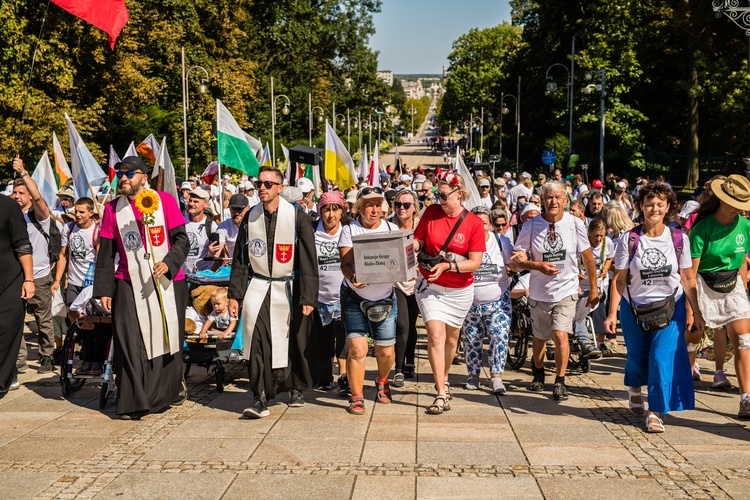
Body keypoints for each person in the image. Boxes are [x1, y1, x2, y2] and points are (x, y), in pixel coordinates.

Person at [94, 156, 190, 420]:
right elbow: (105, 253)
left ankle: (159, 396)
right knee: (127, 340)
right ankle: (132, 400)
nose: (123, 178)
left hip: (168, 281)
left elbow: (182, 240)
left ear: (144, 177)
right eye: (119, 174)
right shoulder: (112, 209)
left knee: (165, 335)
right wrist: (103, 290)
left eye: (129, 173)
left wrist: (169, 263)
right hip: (127, 280)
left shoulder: (165, 201)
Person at [604, 181, 702, 433]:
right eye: (649, 204)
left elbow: (688, 278)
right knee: (637, 359)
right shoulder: (630, 238)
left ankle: (655, 411)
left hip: (671, 306)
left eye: (660, 204)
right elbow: (620, 278)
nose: (654, 209)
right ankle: (634, 387)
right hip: (634, 307)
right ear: (641, 206)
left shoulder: (679, 238)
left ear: (668, 206)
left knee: (661, 357)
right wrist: (612, 313)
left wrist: (696, 311)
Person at [228, 167, 318, 418]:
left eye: (269, 183)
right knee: (256, 341)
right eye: (259, 183)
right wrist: (235, 294)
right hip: (258, 287)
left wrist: (309, 296)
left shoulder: (297, 216)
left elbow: (309, 258)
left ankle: (295, 386)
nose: (262, 188)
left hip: (287, 287)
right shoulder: (250, 217)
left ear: (280, 187)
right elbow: (240, 258)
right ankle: (259, 397)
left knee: (290, 341)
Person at [511, 180, 599, 401]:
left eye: (558, 197)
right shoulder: (531, 226)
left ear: (565, 201)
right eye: (549, 197)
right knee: (540, 337)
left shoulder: (575, 224)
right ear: (542, 200)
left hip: (566, 289)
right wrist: (536, 265)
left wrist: (594, 287)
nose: (553, 201)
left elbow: (587, 258)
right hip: (539, 291)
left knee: (561, 335)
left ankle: (560, 381)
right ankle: (538, 370)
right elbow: (518, 259)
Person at [414, 172, 485, 414]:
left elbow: (475, 262)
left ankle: (443, 377)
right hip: (430, 286)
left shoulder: (474, 223)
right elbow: (418, 242)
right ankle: (441, 392)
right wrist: (402, 244)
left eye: (444, 196)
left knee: (452, 339)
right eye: (437, 195)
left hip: (459, 290)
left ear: (460, 195)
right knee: (435, 335)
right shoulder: (431, 213)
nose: (439, 200)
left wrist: (448, 266)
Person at [689, 174, 750, 418]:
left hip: (733, 285)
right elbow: (690, 274)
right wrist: (692, 309)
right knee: (691, 339)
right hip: (704, 284)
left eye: (742, 205)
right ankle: (680, 381)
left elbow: (743, 261)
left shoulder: (745, 226)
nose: (738, 209)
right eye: (734, 202)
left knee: (744, 340)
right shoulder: (701, 229)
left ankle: (746, 398)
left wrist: (743, 287)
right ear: (722, 200)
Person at [338, 186, 399, 415]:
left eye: (377, 204)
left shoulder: (391, 228)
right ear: (359, 208)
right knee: (357, 348)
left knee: (385, 352)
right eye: (368, 205)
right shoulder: (349, 230)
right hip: (355, 297)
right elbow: (344, 263)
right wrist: (352, 277)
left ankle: (382, 381)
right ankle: (356, 396)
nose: (374, 210)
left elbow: (402, 261)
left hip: (384, 298)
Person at [11, 158, 57, 374]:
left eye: (21, 193)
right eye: (14, 193)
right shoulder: (11, 218)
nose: (17, 197)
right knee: (14, 320)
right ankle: (18, 360)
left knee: (43, 319)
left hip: (39, 276)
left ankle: (47, 355)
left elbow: (38, 197)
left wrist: (23, 171)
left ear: (29, 194)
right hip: (16, 278)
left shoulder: (39, 216)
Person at [462, 206, 513, 394]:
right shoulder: (463, 243)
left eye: (483, 223)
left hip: (498, 301)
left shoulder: (501, 242)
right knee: (471, 339)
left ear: (490, 226)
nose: (479, 227)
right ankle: (473, 375)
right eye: (474, 223)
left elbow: (514, 263)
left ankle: (496, 377)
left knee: (499, 336)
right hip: (470, 302)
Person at [311, 191, 348, 393]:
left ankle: (344, 377)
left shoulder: (348, 231)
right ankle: (325, 377)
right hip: (319, 296)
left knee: (343, 340)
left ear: (342, 211)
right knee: (323, 341)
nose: (330, 215)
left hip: (343, 295)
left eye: (335, 210)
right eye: (326, 209)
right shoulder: (311, 231)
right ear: (320, 211)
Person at [0, 191, 34, 397]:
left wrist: (29, 280)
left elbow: (22, 245)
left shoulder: (8, 206)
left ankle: (3, 377)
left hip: (10, 281)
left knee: (6, 328)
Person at [391, 190, 421, 387]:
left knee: (411, 323)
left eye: (406, 205)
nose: (402, 208)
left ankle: (410, 360)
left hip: (417, 283)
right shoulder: (388, 226)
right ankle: (399, 369)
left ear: (414, 208)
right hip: (395, 283)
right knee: (402, 324)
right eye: (398, 204)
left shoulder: (422, 228)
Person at [573, 219, 612, 358]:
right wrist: (575, 273)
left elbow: (609, 258)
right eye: (596, 235)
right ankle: (581, 339)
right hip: (581, 285)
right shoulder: (580, 244)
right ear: (589, 233)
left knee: (600, 311)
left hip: (600, 283)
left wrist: (606, 269)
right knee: (581, 311)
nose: (599, 239)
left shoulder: (607, 243)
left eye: (601, 235)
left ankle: (600, 341)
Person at [183, 189, 221, 275]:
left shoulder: (211, 226)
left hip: (202, 277)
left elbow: (219, 254)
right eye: (190, 200)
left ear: (206, 204)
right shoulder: (181, 221)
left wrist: (211, 254)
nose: (191, 204)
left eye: (196, 201)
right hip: (183, 276)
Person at [217, 194, 249, 259]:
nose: (236, 213)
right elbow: (218, 250)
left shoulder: (255, 224)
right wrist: (212, 253)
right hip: (234, 265)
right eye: (233, 209)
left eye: (240, 209)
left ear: (247, 208)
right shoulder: (224, 226)